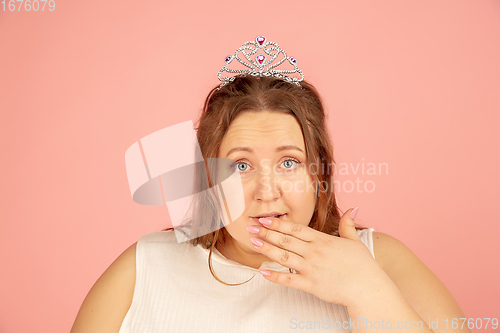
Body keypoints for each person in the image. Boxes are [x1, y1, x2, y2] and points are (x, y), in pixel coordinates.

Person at [70, 36, 469, 333]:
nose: (266, 190)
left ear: (319, 175)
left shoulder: (379, 261)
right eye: (240, 165)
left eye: (290, 162)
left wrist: (366, 290)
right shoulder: (143, 269)